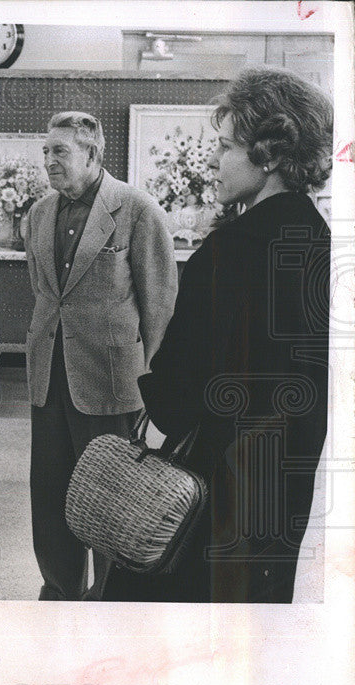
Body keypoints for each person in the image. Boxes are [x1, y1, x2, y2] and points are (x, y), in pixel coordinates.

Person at [100, 67, 332, 603]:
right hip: (281, 488)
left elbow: (179, 394)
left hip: (205, 491)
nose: (213, 158)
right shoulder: (320, 242)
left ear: (269, 154)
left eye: (226, 146)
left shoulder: (230, 251)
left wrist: (155, 396)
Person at [24, 112, 178, 600]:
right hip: (48, 380)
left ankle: (112, 602)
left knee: (111, 501)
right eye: (46, 151)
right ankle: (60, 592)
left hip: (113, 384)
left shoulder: (137, 210)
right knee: (50, 497)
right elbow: (47, 297)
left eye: (60, 152)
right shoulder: (39, 213)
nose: (50, 161)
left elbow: (160, 307)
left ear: (92, 154)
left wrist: (154, 388)